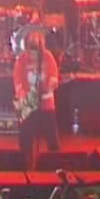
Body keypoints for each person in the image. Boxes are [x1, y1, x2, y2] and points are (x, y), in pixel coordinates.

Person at [13, 29, 60, 170]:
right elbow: (18, 81)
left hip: (46, 102)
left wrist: (49, 87)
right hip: (27, 103)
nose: (35, 39)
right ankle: (24, 167)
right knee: (25, 141)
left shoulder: (48, 57)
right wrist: (26, 96)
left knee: (52, 140)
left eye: (37, 37)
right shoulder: (21, 59)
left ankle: (55, 168)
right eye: (32, 36)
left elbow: (54, 77)